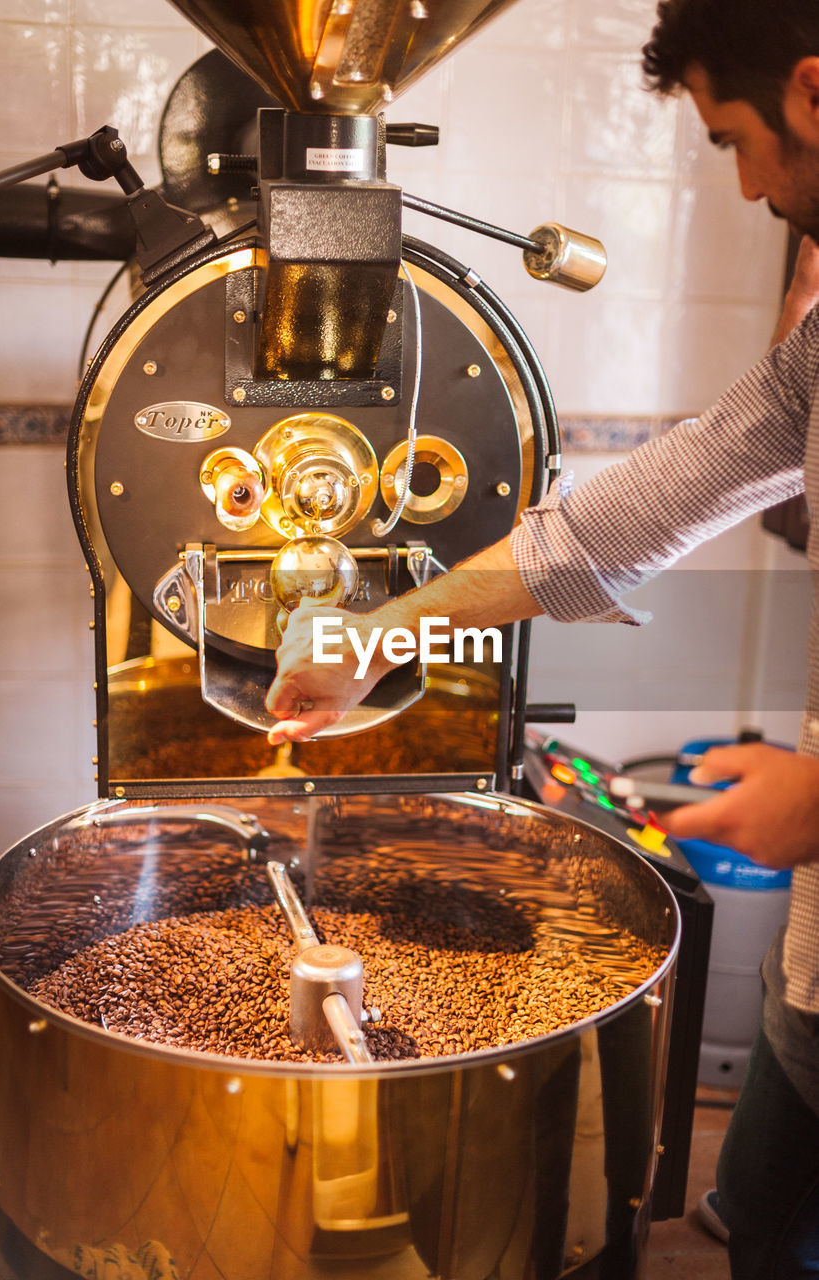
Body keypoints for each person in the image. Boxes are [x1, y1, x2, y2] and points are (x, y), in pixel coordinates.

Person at [266, 2, 819, 1273]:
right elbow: (617, 519)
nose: (741, 189)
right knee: (755, 1227)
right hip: (814, 971)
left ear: (810, 93)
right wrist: (378, 633)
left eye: (735, 141)